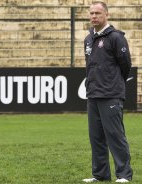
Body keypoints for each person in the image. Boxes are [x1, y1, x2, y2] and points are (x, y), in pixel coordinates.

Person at [83, 1, 133, 183]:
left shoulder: (116, 37)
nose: (93, 16)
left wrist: (114, 83)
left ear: (106, 15)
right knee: (96, 138)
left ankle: (124, 174)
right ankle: (100, 174)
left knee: (115, 136)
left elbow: (126, 65)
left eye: (97, 13)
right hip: (93, 94)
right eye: (91, 13)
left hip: (111, 94)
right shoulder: (88, 39)